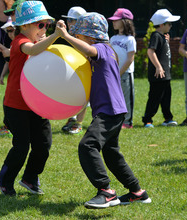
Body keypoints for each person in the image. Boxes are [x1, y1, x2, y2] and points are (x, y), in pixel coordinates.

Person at [56, 13, 151, 209]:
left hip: (110, 110)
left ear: (90, 36)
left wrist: (65, 36)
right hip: (111, 110)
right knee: (111, 154)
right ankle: (137, 192)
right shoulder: (100, 52)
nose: (78, 39)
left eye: (80, 36)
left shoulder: (102, 49)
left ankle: (106, 191)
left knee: (87, 146)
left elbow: (88, 49)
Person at [0, 1, 59, 196]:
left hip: (37, 104)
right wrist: (55, 36)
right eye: (40, 25)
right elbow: (31, 50)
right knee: (21, 146)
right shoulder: (20, 41)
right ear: (24, 26)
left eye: (47, 25)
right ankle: (4, 179)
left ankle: (30, 178)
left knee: (44, 144)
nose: (44, 29)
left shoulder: (39, 43)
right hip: (16, 105)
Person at [142, 9, 180, 128]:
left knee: (166, 97)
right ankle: (147, 119)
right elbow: (150, 51)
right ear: (162, 24)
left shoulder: (162, 37)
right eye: (169, 24)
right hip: (158, 75)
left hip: (165, 75)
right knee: (155, 97)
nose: (171, 26)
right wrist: (158, 67)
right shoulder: (156, 35)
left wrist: (166, 42)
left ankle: (168, 118)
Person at [60, 6, 87, 134]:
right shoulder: (70, 35)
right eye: (68, 20)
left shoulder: (85, 35)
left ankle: (79, 124)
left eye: (72, 20)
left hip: (85, 71)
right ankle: (72, 119)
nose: (69, 23)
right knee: (72, 96)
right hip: (73, 71)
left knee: (83, 98)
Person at [108, 8, 136, 129]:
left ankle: (128, 121)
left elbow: (130, 59)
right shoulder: (113, 39)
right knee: (114, 97)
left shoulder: (130, 39)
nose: (113, 22)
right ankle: (117, 120)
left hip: (125, 74)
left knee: (127, 98)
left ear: (125, 22)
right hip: (113, 73)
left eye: (116, 20)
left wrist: (119, 72)